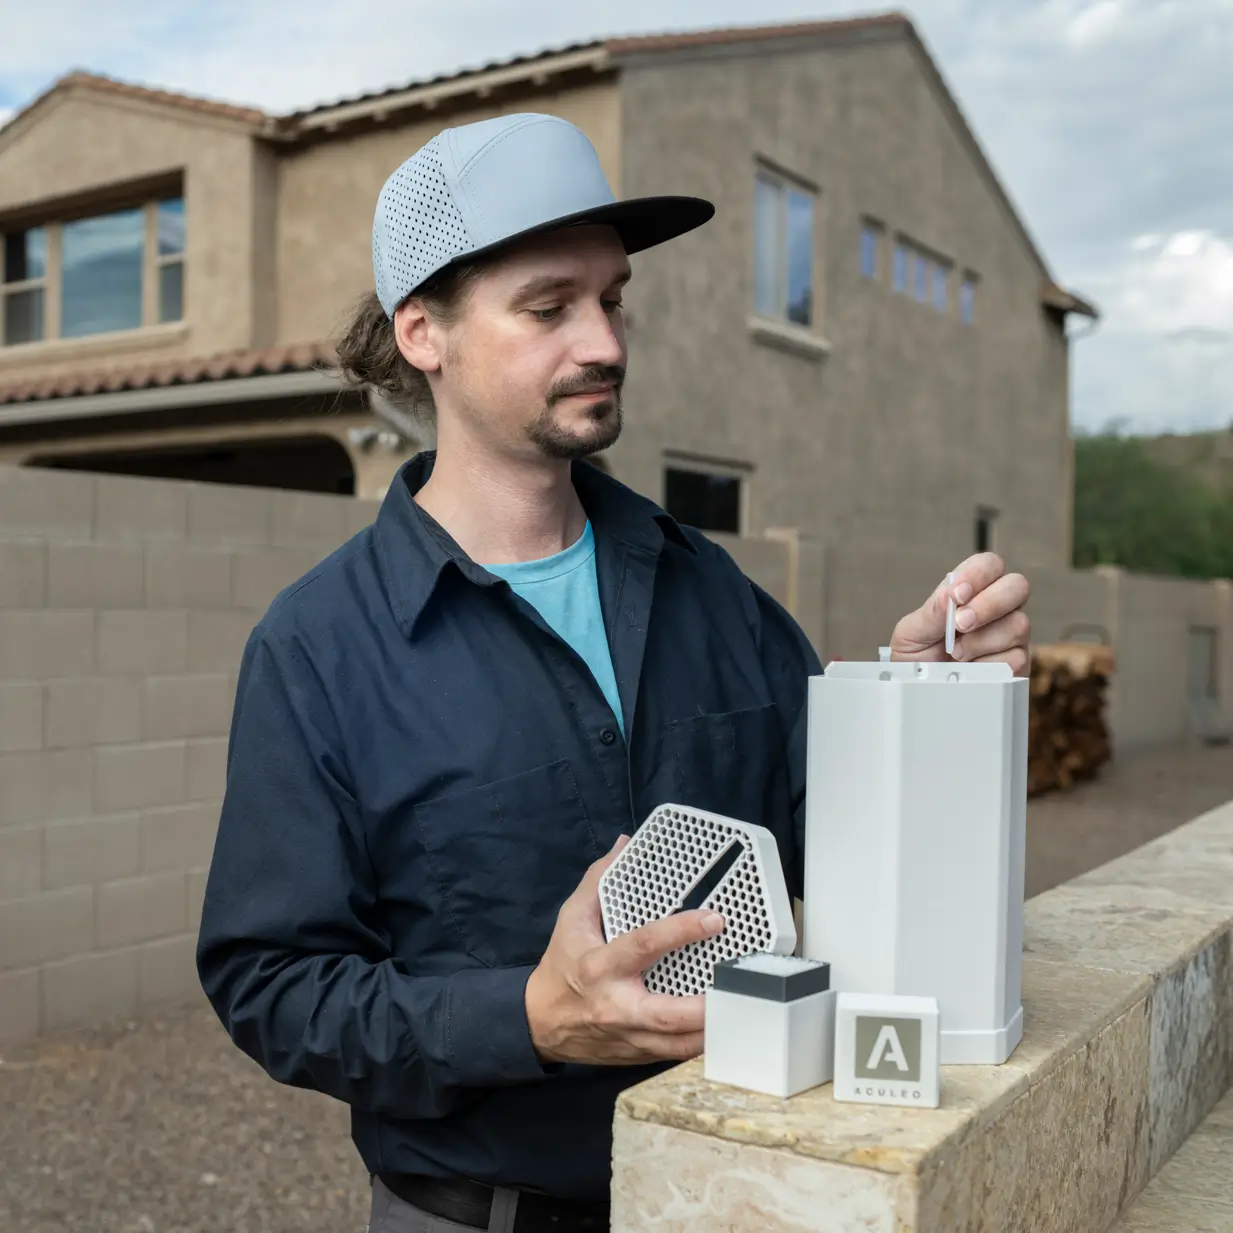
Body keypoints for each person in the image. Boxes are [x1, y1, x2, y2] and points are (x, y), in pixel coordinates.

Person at [195, 112, 1030, 1233]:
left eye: (612, 298)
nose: (604, 342)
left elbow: (844, 852)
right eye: (549, 307)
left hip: (749, 1192)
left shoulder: (710, 590)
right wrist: (530, 1019)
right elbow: (275, 987)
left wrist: (910, 705)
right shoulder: (320, 648)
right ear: (425, 333)